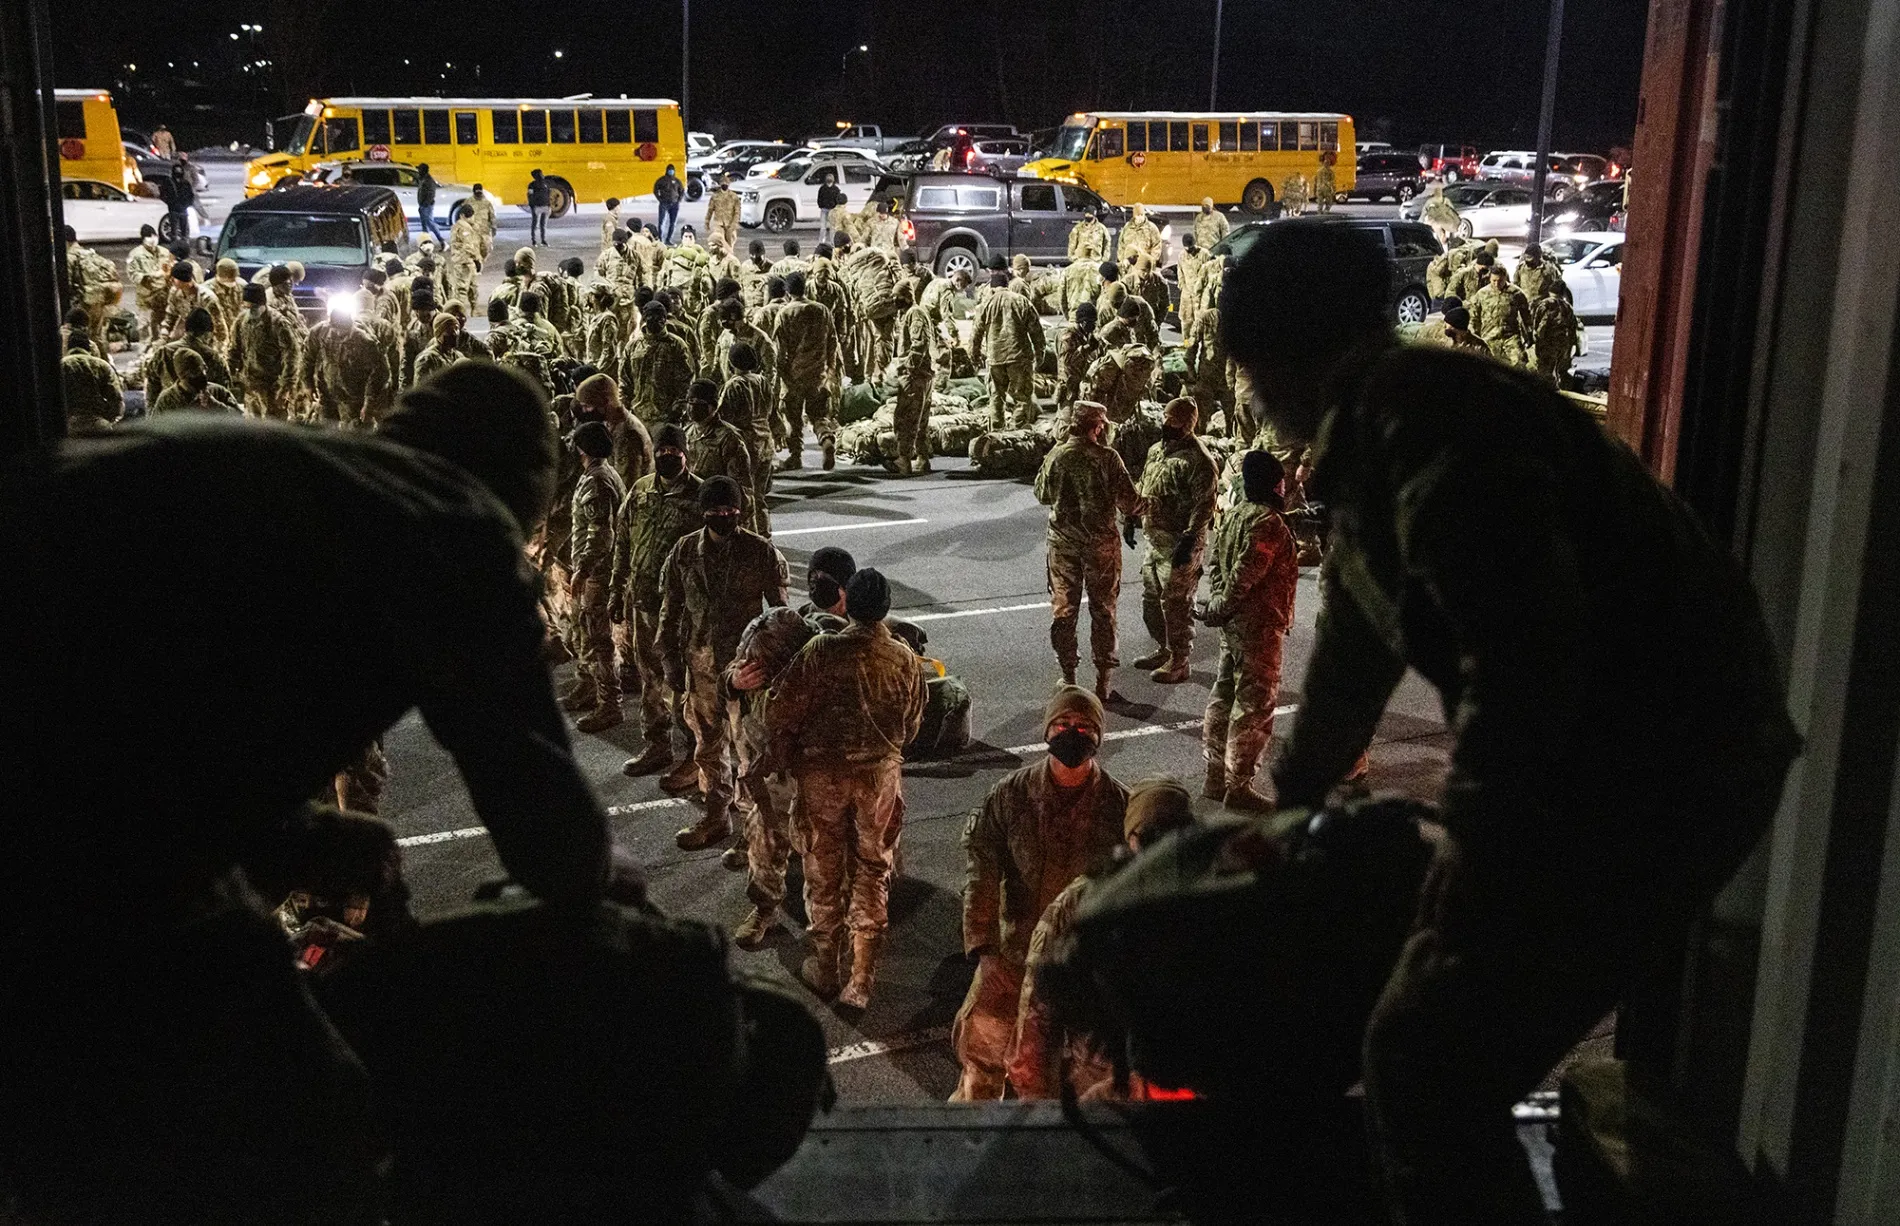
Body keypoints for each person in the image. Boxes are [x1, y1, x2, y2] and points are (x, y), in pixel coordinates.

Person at [1219, 219, 1799, 1226]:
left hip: (1668, 763)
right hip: (1619, 752)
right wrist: (1291, 800)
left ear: (1295, 355)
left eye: (1254, 367)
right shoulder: (1370, 433)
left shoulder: (1430, 422)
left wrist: (1476, 842)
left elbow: (1526, 651)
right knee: (1429, 1039)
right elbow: (1358, 638)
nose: (1249, 391)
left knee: (1424, 1060)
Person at [0, 362, 646, 1223]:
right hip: (72, 846)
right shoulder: (449, 519)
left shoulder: (293, 463)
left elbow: (158, 697)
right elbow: (537, 802)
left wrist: (298, 833)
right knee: (313, 1125)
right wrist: (604, 893)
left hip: (68, 793)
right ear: (527, 486)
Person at [753, 569, 926, 1006]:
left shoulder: (821, 650)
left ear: (846, 600)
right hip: (878, 779)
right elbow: (911, 724)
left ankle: (826, 964)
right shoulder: (904, 658)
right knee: (873, 869)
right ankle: (862, 978)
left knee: (823, 869)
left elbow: (779, 713)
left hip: (823, 778)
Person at [952, 685, 1128, 1100]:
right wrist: (985, 950)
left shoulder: (1119, 805)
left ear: (1099, 737)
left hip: (1079, 965)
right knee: (982, 1059)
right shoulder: (1011, 795)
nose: (1073, 733)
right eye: (1063, 724)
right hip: (1011, 958)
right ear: (1048, 731)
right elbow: (981, 869)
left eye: (1084, 727)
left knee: (1070, 1076)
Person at [1009, 776, 1198, 1100]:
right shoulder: (1083, 901)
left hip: (1180, 1077)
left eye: (1171, 833)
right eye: (1148, 835)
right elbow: (1039, 1011)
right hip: (1098, 1079)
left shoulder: (1206, 895)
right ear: (1130, 837)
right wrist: (1038, 1100)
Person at [658, 477, 789, 851]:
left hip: (745, 671)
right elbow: (670, 611)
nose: (723, 516)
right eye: (715, 511)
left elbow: (779, 616)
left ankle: (754, 835)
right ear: (703, 512)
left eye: (730, 510)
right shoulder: (684, 552)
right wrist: (669, 659)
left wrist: (772, 670)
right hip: (700, 669)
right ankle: (716, 816)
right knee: (707, 749)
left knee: (749, 755)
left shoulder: (760, 552)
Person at [1196, 448, 1300, 812]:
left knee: (1223, 695)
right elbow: (1246, 575)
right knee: (1254, 707)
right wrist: (1221, 607)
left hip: (1234, 627)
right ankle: (1238, 785)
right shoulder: (1268, 522)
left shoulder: (1235, 514)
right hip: (1259, 626)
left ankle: (1213, 775)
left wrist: (1219, 607)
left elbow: (1218, 568)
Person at [1035, 400, 1146, 699]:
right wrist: (1153, 504)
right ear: (1097, 426)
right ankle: (1103, 681)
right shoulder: (1108, 458)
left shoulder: (1056, 456)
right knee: (1104, 610)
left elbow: (1042, 494)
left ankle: (1068, 676)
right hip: (1101, 547)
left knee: (1064, 609)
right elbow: (1130, 501)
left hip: (1063, 545)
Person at [1134, 398, 1218, 684]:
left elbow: (1204, 504)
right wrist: (1134, 516)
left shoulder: (1199, 461)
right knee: (1151, 601)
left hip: (1179, 542)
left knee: (1176, 604)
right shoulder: (1156, 451)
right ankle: (1164, 648)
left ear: (1187, 423)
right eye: (1165, 417)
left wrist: (1190, 538)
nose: (1165, 423)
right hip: (1154, 538)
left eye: (1172, 419)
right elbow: (1145, 484)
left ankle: (1180, 659)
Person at [565, 421, 627, 734]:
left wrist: (583, 568)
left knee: (599, 638)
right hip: (597, 570)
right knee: (586, 632)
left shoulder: (597, 482)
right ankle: (589, 686)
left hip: (599, 574)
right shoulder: (602, 474)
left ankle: (610, 704)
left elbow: (601, 533)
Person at [773, 271, 842, 470]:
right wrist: (830, 369)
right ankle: (826, 439)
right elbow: (833, 341)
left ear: (787, 292)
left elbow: (780, 350)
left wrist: (783, 375)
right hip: (818, 373)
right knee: (818, 414)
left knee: (793, 417)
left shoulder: (785, 313)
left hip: (795, 374)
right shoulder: (822, 310)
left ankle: (796, 456)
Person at [971, 269, 1044, 430]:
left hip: (995, 357)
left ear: (993, 288)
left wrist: (974, 356)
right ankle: (1018, 431)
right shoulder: (1021, 302)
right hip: (1019, 357)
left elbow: (975, 334)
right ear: (1008, 285)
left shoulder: (985, 305)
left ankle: (996, 432)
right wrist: (1040, 354)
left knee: (996, 397)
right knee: (1022, 398)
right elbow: (1036, 331)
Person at [888, 279, 935, 474]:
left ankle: (904, 459)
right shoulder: (908, 314)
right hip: (921, 375)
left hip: (915, 376)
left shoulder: (915, 314)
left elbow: (919, 343)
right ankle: (923, 458)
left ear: (907, 296)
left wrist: (907, 368)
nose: (894, 300)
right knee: (920, 420)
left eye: (897, 297)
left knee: (906, 418)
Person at [60, 330, 123, 434]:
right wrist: (108, 419)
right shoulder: (102, 365)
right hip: (98, 424)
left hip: (69, 426)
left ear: (68, 347)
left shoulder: (61, 365)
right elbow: (116, 399)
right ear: (88, 347)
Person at [1468, 263, 1532, 365]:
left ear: (1505, 278)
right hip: (1488, 337)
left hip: (1510, 336)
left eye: (1500, 281)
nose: (1497, 284)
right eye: (1494, 281)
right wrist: (1473, 335)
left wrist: (1529, 334)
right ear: (1490, 279)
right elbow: (1473, 317)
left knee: (1520, 362)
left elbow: (1526, 315)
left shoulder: (1516, 293)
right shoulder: (1482, 294)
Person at [150, 346, 242, 415]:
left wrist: (216, 406)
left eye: (204, 368)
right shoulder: (167, 400)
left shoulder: (218, 392)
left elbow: (240, 418)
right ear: (184, 375)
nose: (204, 373)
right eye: (199, 371)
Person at [1117, 202, 1162, 271]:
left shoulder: (1151, 228)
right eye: (1138, 215)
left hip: (1145, 266)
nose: (1140, 217)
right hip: (1130, 266)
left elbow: (1157, 246)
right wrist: (1123, 260)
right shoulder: (1127, 227)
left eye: (1142, 215)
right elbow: (1121, 245)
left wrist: (1151, 261)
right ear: (1134, 216)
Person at [706, 173, 741, 252]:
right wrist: (707, 222)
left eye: (726, 183)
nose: (724, 185)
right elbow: (710, 210)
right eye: (723, 183)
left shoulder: (734, 196)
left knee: (730, 245)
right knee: (719, 242)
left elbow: (737, 212)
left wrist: (734, 224)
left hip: (730, 224)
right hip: (718, 223)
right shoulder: (715, 196)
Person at [1421, 180, 1461, 246]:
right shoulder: (1445, 200)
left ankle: (1443, 240)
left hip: (1438, 221)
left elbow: (1424, 211)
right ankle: (1444, 240)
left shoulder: (1431, 201)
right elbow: (1452, 209)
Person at [653, 163, 685, 245]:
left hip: (674, 204)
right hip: (664, 203)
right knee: (661, 222)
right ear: (667, 171)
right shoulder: (662, 180)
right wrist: (659, 199)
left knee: (673, 223)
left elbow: (681, 191)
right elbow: (655, 189)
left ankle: (668, 239)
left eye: (672, 170)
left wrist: (679, 200)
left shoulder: (677, 181)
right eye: (669, 170)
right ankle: (660, 239)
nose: (671, 171)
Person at [415, 162, 442, 245]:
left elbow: (431, 194)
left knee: (430, 223)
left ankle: (442, 241)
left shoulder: (428, 181)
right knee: (425, 225)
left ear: (424, 171)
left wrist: (425, 205)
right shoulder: (423, 179)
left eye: (419, 169)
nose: (418, 171)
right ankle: (426, 242)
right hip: (423, 205)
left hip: (426, 206)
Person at [815, 172, 846, 246]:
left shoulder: (836, 189)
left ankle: (833, 242)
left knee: (832, 228)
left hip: (832, 210)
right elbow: (819, 198)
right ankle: (821, 242)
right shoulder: (822, 188)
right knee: (823, 227)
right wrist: (821, 205)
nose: (829, 179)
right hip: (824, 209)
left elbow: (838, 199)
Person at [522, 169, 550, 247]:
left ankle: (534, 241)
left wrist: (531, 205)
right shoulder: (546, 183)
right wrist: (549, 205)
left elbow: (530, 195)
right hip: (546, 206)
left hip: (537, 206)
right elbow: (549, 194)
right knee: (543, 225)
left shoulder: (532, 184)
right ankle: (543, 240)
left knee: (535, 224)